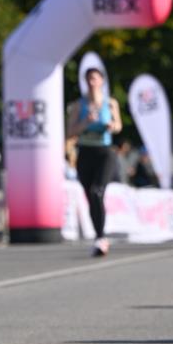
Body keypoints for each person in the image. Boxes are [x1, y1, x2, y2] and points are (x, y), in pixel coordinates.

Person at [66, 65, 122, 256]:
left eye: (95, 78)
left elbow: (118, 126)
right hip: (85, 153)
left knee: (97, 191)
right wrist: (85, 123)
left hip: (104, 152)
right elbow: (70, 132)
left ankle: (101, 237)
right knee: (90, 196)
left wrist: (110, 125)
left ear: (102, 81)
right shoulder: (78, 105)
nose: (92, 82)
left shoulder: (111, 103)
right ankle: (99, 236)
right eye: (88, 79)